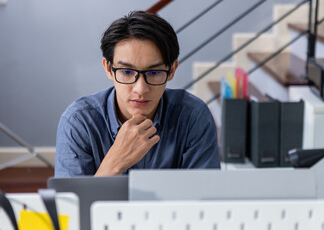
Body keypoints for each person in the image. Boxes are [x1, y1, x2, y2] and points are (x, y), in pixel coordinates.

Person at [55, 11, 220, 177]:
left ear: (171, 70)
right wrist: (115, 162)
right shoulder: (78, 121)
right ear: (108, 68)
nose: (140, 89)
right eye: (126, 71)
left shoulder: (193, 116)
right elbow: (73, 202)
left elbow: (203, 199)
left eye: (154, 72)